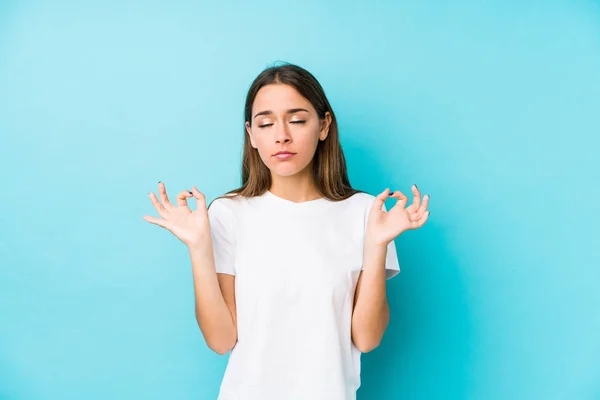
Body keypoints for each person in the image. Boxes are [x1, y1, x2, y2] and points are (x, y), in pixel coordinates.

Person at [143, 62, 430, 400]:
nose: (282, 134)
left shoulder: (367, 213)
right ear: (251, 134)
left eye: (296, 120)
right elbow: (220, 341)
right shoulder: (227, 213)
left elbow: (367, 338)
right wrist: (199, 248)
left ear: (324, 125)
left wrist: (378, 243)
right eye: (266, 123)